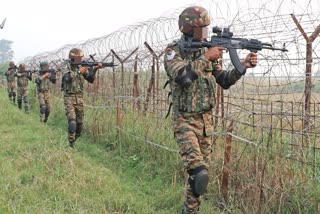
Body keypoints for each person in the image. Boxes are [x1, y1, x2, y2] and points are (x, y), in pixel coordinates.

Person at [164, 6, 257, 214]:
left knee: (199, 181)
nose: (205, 32)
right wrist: (206, 57)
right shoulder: (173, 52)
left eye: (207, 27)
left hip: (205, 124)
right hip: (184, 121)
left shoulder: (206, 52)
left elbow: (224, 80)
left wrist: (242, 66)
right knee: (199, 173)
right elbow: (183, 78)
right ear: (188, 28)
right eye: (201, 28)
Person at [61, 48, 102, 148]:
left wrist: (95, 69)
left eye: (80, 58)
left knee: (79, 124)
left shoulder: (81, 66)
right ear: (72, 57)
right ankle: (71, 144)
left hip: (79, 98)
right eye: (78, 58)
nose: (80, 60)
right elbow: (66, 79)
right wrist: (79, 72)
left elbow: (90, 79)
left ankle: (74, 139)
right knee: (72, 121)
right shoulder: (66, 66)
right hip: (69, 97)